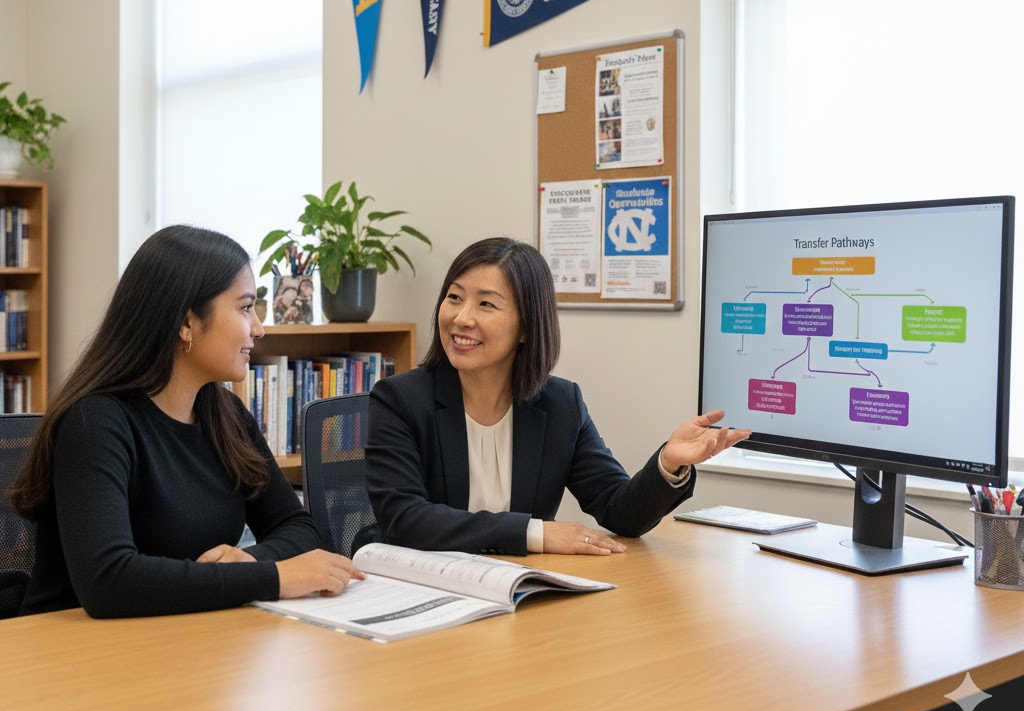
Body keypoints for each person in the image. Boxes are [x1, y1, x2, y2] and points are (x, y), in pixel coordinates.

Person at [9, 225, 364, 617]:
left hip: (183, 638)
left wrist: (253, 561)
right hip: (75, 655)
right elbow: (107, 582)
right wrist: (275, 577)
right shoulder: (94, 422)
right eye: (246, 308)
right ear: (186, 323)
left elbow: (299, 528)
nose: (258, 329)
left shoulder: (225, 416)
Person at [365, 237, 751, 556]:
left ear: (526, 328)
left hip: (518, 590)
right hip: (422, 590)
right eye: (454, 297)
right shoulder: (399, 400)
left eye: (486, 304)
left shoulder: (560, 403)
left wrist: (668, 462)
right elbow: (404, 520)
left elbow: (620, 512)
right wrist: (537, 534)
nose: (461, 318)